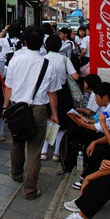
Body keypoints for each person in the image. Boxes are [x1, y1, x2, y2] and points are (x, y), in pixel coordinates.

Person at [4, 30, 58, 200]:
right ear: (42, 42)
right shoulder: (48, 64)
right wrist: (55, 114)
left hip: (17, 107)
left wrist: (5, 107)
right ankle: (29, 190)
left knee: (17, 142)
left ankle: (16, 174)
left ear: (25, 42)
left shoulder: (15, 60)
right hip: (39, 109)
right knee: (34, 151)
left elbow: (9, 88)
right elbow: (52, 93)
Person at [40, 34, 79, 162]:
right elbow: (76, 77)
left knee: (48, 121)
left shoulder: (43, 59)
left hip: (46, 93)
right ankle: (57, 152)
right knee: (62, 123)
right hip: (63, 93)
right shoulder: (64, 59)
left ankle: (44, 151)